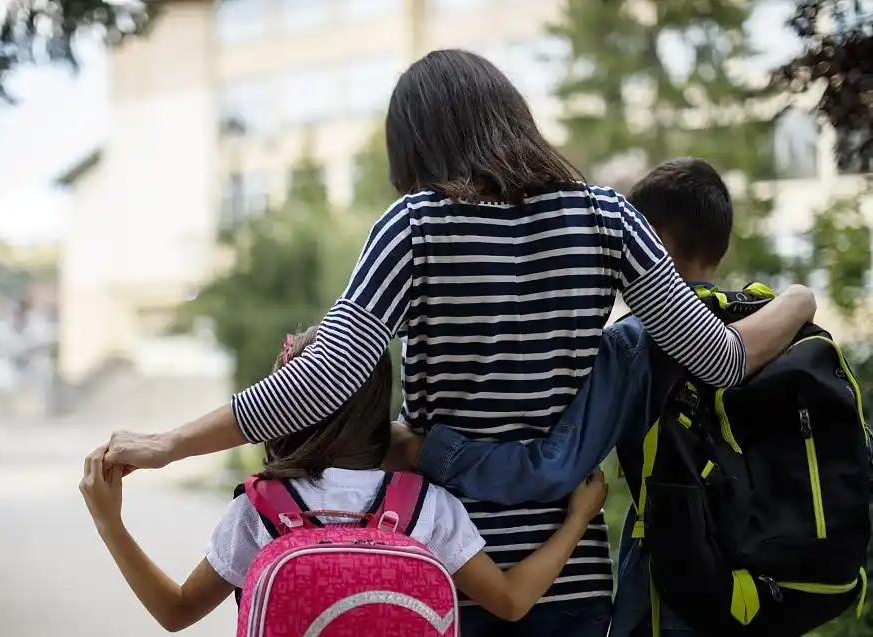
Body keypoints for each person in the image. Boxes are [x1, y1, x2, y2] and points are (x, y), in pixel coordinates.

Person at [102, 51, 815, 635]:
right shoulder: (607, 218)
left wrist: (169, 444)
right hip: (572, 574)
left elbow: (322, 379)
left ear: (415, 142)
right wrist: (798, 300)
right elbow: (720, 358)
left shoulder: (414, 225)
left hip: (442, 566)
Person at [387, 158, 781, 637]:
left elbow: (555, 464)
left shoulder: (636, 343)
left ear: (648, 237)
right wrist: (800, 298)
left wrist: (422, 449)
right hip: (763, 582)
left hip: (670, 584)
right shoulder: (765, 324)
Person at [80, 327, 609, 632]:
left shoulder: (259, 510)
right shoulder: (425, 504)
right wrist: (577, 520)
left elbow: (175, 613)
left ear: (283, 407)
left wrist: (110, 523)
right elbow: (512, 601)